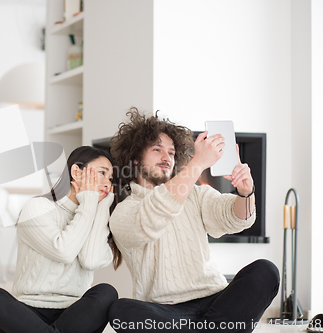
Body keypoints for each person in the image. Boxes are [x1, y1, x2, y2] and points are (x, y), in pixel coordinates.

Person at [107, 109, 279, 333]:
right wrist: (197, 164)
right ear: (136, 158)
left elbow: (236, 218)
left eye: (171, 152)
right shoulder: (124, 211)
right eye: (157, 149)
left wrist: (246, 192)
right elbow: (153, 215)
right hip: (166, 312)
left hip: (216, 302)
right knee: (121, 311)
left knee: (266, 271)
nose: (166, 157)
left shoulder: (195, 195)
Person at [0, 146, 119, 333]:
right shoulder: (37, 207)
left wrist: (99, 209)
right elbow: (64, 252)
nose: (106, 183)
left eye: (110, 179)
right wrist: (88, 204)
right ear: (76, 172)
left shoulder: (98, 219)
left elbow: (90, 260)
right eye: (102, 173)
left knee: (107, 292)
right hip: (30, 309)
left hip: (74, 313)